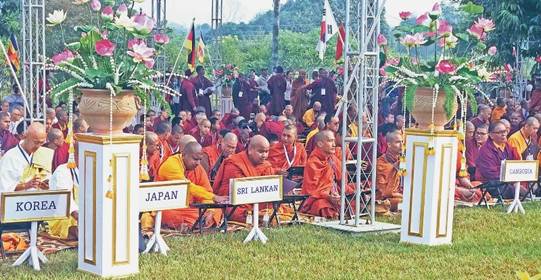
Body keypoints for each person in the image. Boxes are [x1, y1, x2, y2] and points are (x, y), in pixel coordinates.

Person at [157, 142, 227, 230]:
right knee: (165, 213)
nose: (198, 163)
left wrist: (210, 210)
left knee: (216, 210)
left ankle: (196, 224)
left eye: (200, 159)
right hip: (171, 207)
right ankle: (197, 224)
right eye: (195, 159)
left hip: (191, 207)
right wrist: (213, 197)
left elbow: (207, 191)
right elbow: (187, 187)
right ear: (183, 155)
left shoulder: (197, 168)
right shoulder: (171, 164)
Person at [212, 135, 276, 222]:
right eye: (261, 152)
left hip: (260, 204)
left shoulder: (266, 166)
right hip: (238, 205)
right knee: (235, 212)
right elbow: (236, 195)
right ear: (250, 150)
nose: (264, 155)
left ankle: (259, 216)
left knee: (276, 210)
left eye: (266, 151)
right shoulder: (234, 163)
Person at [301, 130, 354, 218]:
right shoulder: (313, 162)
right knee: (321, 206)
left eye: (333, 141)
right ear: (320, 144)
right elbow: (311, 190)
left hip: (336, 194)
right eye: (330, 141)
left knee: (356, 196)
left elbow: (343, 180)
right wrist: (328, 197)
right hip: (320, 198)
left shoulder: (332, 159)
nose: (334, 144)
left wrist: (339, 193)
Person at [475, 121, 522, 198]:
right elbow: (489, 173)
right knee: (514, 190)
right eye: (500, 132)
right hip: (489, 182)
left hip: (506, 179)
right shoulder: (485, 150)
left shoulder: (507, 146)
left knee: (520, 187)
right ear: (491, 135)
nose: (503, 134)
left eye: (505, 131)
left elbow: (515, 162)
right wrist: (509, 176)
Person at [0, 122, 48, 192]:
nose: (38, 146)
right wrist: (26, 185)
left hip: (37, 200)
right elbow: (3, 189)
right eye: (36, 142)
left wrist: (45, 185)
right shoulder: (10, 157)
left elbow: (45, 175)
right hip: (17, 201)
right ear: (25, 136)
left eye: (41, 143)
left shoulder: (42, 154)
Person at [47, 143, 80, 240]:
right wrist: (81, 218)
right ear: (75, 155)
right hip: (64, 214)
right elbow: (65, 199)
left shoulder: (92, 169)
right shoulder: (62, 171)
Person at [376, 130, 403, 212]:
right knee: (403, 203)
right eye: (398, 142)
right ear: (389, 144)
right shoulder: (381, 163)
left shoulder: (402, 160)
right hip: (386, 199)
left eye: (402, 141)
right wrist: (394, 169)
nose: (401, 145)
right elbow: (384, 193)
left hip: (400, 196)